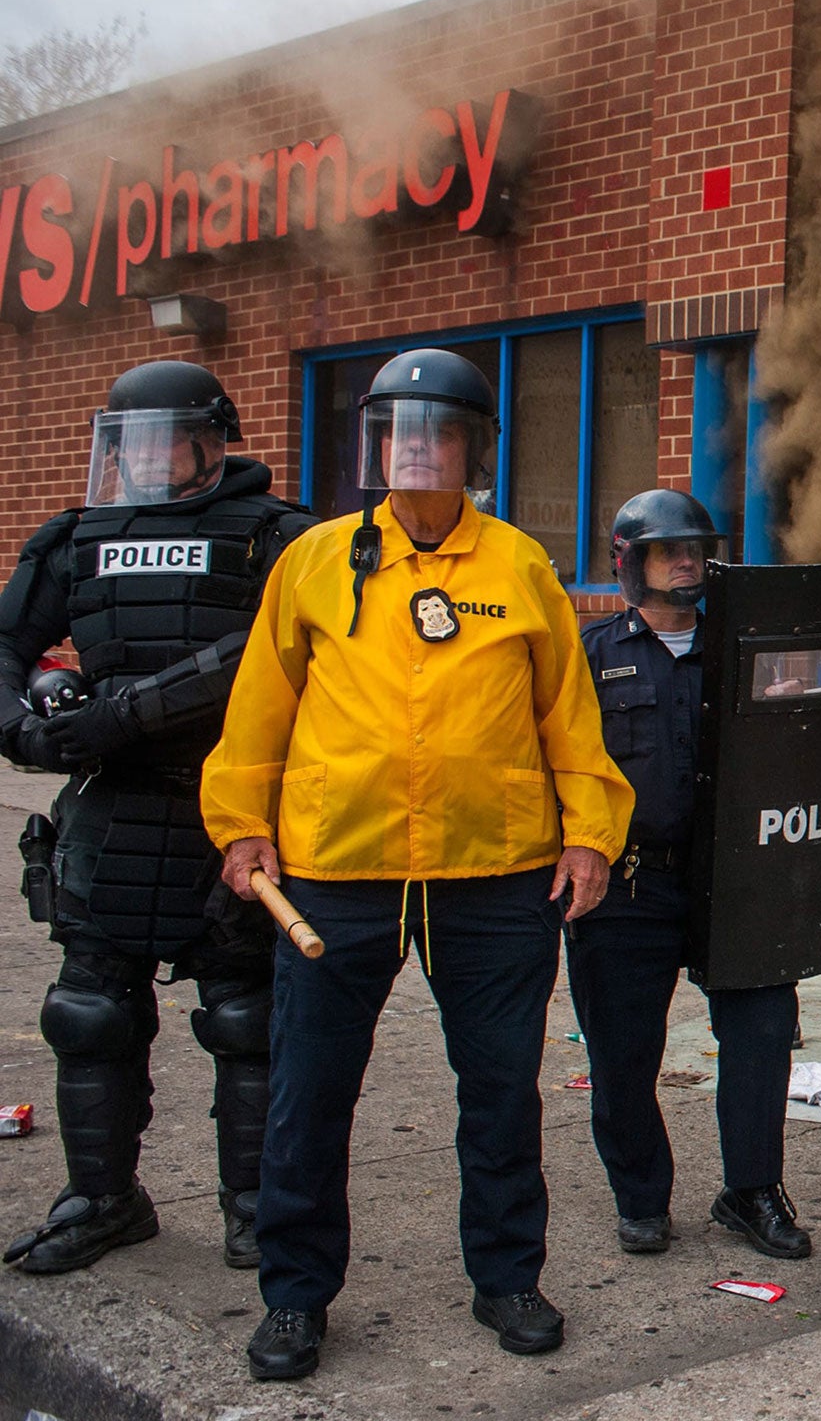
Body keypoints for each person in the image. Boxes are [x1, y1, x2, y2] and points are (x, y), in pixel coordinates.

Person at [200, 348, 633, 1381]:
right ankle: (296, 1296)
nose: (417, 448)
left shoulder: (520, 568)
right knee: (309, 1091)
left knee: (498, 1092)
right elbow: (261, 705)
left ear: (473, 450)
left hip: (494, 879)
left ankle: (507, 1276)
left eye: (438, 432)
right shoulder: (314, 562)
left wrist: (588, 834)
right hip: (335, 873)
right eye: (400, 431)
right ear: (376, 446)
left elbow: (567, 716)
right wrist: (240, 822)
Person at [0, 361, 312, 1277]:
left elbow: (278, 649)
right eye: (127, 441)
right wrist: (24, 723)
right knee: (91, 1011)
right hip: (110, 808)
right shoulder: (77, 537)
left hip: (234, 807)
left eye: (162, 438)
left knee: (247, 1018)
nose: (142, 457)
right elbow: (7, 640)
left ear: (213, 438)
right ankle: (102, 1199)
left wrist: (127, 712)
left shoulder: (281, 541)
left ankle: (256, 1209)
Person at [569, 489, 811, 1261]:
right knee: (623, 1051)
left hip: (734, 883)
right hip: (627, 887)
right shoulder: (588, 656)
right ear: (627, 561)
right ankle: (641, 1197)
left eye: (695, 548)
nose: (686, 560)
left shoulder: (749, 654)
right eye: (667, 549)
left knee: (762, 1033)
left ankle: (752, 1191)